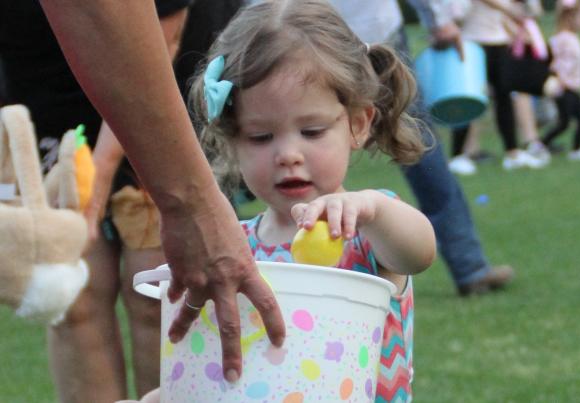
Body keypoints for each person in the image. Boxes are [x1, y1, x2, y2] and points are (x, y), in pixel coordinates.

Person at [127, 3, 436, 402]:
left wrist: (372, 209)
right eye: (260, 137)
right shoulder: (233, 248)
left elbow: (419, 252)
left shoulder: (367, 228)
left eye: (310, 130)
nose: (288, 154)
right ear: (232, 140)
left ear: (358, 124)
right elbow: (224, 365)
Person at [3, 0, 286, 399]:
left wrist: (97, 185)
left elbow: (156, 31)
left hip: (158, 94)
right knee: (71, 296)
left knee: (162, 293)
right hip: (46, 100)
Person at [329, 0, 515, 296]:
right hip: (325, 38)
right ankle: (471, 268)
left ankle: (470, 267)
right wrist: (440, 19)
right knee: (420, 151)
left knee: (419, 150)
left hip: (359, 36)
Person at [447, 0, 548, 173]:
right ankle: (458, 155)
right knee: (468, 97)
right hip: (473, 40)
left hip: (498, 40)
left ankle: (512, 152)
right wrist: (508, 10)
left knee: (504, 96)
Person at [541, 0, 580, 161]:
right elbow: (555, 62)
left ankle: (576, 149)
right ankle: (542, 144)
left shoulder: (572, 38)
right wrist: (559, 80)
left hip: (573, 88)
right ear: (570, 18)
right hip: (564, 88)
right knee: (565, 122)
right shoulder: (562, 38)